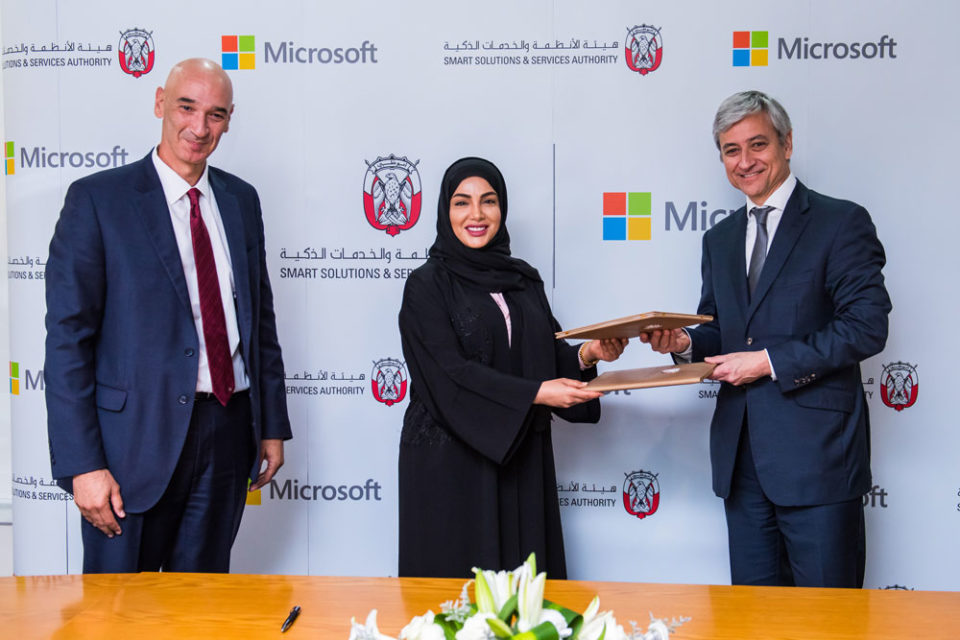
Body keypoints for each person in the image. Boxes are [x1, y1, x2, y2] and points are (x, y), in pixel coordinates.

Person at [44, 58, 292, 573]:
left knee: (202, 609)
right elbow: (68, 340)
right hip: (131, 447)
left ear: (228, 120)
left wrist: (270, 425)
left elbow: (259, 321)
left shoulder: (241, 200)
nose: (199, 128)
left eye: (216, 115)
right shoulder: (98, 200)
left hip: (227, 432)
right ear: (160, 103)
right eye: (187, 107)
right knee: (118, 616)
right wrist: (82, 466)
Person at [641, 90, 891, 588]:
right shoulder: (720, 238)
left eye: (758, 144)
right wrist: (683, 344)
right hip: (742, 465)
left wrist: (768, 362)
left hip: (818, 461)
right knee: (753, 620)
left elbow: (866, 326)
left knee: (828, 624)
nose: (746, 161)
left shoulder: (840, 222)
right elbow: (720, 330)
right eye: (731, 150)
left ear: (788, 143)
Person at [398, 157, 627, 578]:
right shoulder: (427, 285)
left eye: (488, 201)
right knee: (455, 601)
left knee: (523, 596)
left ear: (502, 208)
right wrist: (536, 394)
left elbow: (540, 356)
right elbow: (448, 373)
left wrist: (588, 354)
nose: (476, 214)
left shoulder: (523, 280)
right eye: (461, 203)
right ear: (444, 212)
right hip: (451, 464)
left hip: (518, 456)